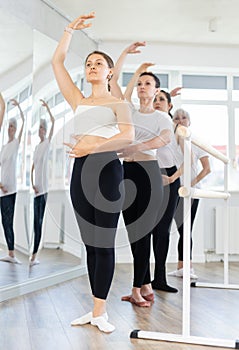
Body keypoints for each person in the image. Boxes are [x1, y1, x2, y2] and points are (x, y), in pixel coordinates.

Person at [51, 13, 134, 333]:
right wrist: (69, 30)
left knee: (105, 242)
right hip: (80, 172)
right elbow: (57, 63)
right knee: (90, 244)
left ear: (110, 71)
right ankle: (94, 308)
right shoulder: (78, 99)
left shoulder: (119, 103)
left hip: (107, 171)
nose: (93, 66)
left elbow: (126, 136)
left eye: (99, 62)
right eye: (88, 63)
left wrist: (90, 148)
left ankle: (101, 312)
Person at [110, 47, 174, 305]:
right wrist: (127, 56)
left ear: (157, 90)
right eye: (139, 84)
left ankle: (137, 289)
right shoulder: (129, 112)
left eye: (147, 83)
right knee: (132, 232)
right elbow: (114, 82)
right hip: (127, 172)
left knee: (143, 232)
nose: (141, 87)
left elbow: (165, 139)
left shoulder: (162, 117)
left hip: (149, 173)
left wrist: (135, 147)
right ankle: (146, 284)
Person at [168, 108, 211, 279]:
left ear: (189, 121)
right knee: (180, 230)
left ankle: (188, 267)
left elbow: (207, 169)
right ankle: (181, 267)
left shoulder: (197, 142)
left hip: (190, 192)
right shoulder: (170, 143)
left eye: (184, 117)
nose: (180, 120)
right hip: (174, 191)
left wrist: (189, 185)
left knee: (186, 229)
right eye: (177, 118)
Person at [151, 89, 182, 293]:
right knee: (147, 229)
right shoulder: (148, 122)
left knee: (163, 230)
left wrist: (171, 178)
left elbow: (185, 160)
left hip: (169, 177)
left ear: (170, 105)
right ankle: (144, 280)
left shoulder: (176, 128)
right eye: (154, 99)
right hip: (149, 173)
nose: (157, 102)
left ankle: (159, 278)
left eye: (161, 100)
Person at [30, 99, 55, 266]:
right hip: (36, 189)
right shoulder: (37, 147)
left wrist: (47, 109)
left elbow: (53, 122)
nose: (40, 131)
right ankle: (33, 254)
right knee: (34, 223)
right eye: (39, 128)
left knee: (39, 222)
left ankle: (34, 255)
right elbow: (32, 168)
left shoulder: (46, 144)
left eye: (42, 128)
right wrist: (32, 184)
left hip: (44, 190)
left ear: (45, 130)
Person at [0, 98, 25, 264]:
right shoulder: (3, 147)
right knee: (3, 221)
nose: (10, 129)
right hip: (0, 188)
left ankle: (12, 254)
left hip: (10, 189)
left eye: (13, 127)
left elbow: (24, 124)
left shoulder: (16, 143)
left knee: (8, 222)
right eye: (9, 126)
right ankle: (9, 253)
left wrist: (20, 109)